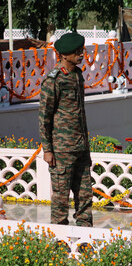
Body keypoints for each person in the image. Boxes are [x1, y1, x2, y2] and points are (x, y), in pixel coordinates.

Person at [39, 32, 93, 227]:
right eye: (77, 51)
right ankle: (59, 240)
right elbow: (44, 118)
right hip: (62, 150)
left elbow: (81, 114)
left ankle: (85, 237)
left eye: (81, 50)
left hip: (80, 147)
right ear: (64, 55)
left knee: (85, 195)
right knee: (61, 198)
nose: (81, 54)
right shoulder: (54, 81)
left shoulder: (77, 76)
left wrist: (86, 147)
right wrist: (47, 149)